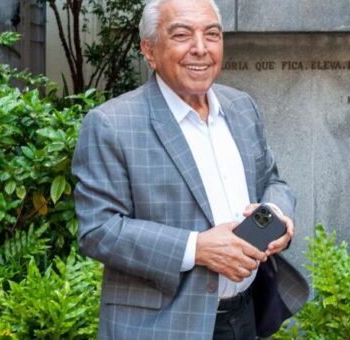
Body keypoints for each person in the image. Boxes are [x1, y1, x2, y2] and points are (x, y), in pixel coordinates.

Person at [72, 0, 309, 339]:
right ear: (149, 50)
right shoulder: (111, 124)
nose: (200, 48)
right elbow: (98, 230)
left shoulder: (241, 106)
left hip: (244, 317)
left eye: (211, 34)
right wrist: (197, 248)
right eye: (182, 35)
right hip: (161, 326)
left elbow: (272, 180)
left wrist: (272, 216)